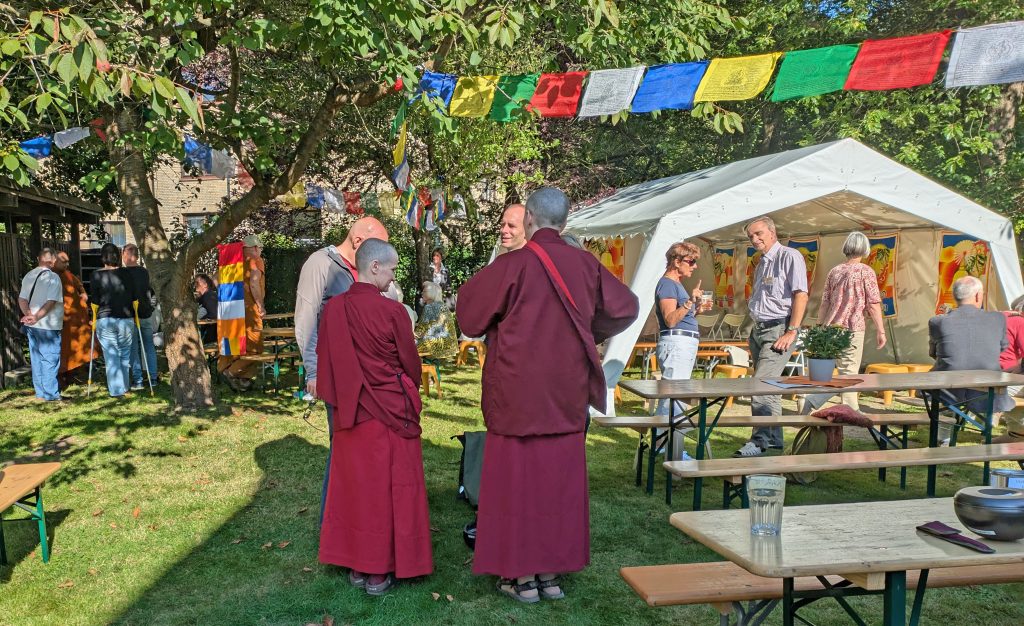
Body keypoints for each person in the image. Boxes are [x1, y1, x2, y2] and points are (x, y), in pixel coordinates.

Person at [457, 187, 638, 603]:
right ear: (565, 222)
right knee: (558, 483)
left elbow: (468, 316)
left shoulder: (514, 265)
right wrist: (588, 331)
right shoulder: (586, 265)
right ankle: (551, 575)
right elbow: (626, 306)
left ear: (532, 220)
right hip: (565, 391)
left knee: (515, 484)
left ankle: (519, 577)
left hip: (517, 392)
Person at [315, 238, 432, 595]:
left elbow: (327, 364)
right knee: (387, 490)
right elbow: (411, 364)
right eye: (393, 269)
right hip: (390, 411)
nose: (394, 277)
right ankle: (379, 570)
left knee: (358, 489)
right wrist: (407, 389)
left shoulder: (333, 310)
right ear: (375, 267)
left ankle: (356, 565)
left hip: (351, 412)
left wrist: (342, 405)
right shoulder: (393, 312)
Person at [294, 216, 389, 520]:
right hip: (337, 375)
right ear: (360, 242)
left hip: (372, 376)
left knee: (363, 449)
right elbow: (306, 321)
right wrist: (313, 371)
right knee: (342, 449)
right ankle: (334, 525)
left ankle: (360, 522)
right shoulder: (320, 264)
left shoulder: (367, 268)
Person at [734, 216, 808, 458]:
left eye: (758, 234)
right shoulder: (762, 262)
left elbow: (801, 295)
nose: (755, 239)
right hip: (759, 330)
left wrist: (792, 330)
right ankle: (774, 443)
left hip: (779, 330)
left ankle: (759, 442)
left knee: (761, 386)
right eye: (751, 237)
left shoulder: (789, 256)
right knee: (770, 387)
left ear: (772, 231)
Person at [800, 232, 886, 412]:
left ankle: (814, 401)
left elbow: (825, 302)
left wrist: (820, 327)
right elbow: (873, 304)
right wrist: (880, 330)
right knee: (848, 372)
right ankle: (848, 411)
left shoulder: (835, 271)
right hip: (852, 327)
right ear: (865, 249)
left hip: (831, 327)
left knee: (831, 372)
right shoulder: (866, 271)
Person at [929, 275, 1014, 416]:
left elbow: (933, 353)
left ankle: (943, 435)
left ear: (955, 297)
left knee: (937, 378)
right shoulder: (998, 319)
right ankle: (988, 424)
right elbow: (1002, 348)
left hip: (947, 392)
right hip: (988, 392)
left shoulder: (938, 322)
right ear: (977, 296)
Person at [654, 241, 707, 461]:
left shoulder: (676, 284)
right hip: (677, 344)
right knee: (674, 398)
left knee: (674, 397)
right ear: (677, 261)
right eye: (691, 261)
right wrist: (688, 305)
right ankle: (671, 450)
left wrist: (696, 308)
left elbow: (680, 318)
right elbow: (670, 320)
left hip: (682, 344)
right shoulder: (668, 284)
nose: (694, 267)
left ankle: (665, 446)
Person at [89, 243, 137, 398]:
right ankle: (125, 387)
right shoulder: (127, 274)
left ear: (102, 257)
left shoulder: (96, 275)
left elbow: (95, 301)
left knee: (111, 355)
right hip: (126, 318)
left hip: (105, 318)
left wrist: (93, 317)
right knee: (124, 354)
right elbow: (133, 296)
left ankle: (117, 390)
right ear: (118, 256)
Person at [219, 234, 265, 390]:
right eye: (260, 248)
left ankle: (243, 380)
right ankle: (231, 372)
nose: (260, 251)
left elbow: (215, 280)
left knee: (237, 346)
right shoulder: (256, 261)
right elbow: (254, 284)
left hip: (232, 313)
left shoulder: (233, 264)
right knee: (255, 348)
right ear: (255, 248)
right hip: (250, 311)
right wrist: (260, 304)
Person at [18, 247, 64, 401]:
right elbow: (51, 301)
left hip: (32, 326)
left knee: (36, 358)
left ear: (38, 259)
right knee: (50, 358)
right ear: (53, 261)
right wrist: (36, 317)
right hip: (48, 325)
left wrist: (28, 315)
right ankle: (51, 394)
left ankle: (40, 393)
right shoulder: (53, 278)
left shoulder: (28, 276)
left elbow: (22, 299)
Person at [53, 251, 93, 388]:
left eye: (67, 262)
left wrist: (83, 294)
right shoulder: (50, 276)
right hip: (58, 319)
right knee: (61, 349)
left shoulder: (69, 275)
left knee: (74, 347)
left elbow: (80, 286)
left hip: (74, 319)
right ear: (54, 261)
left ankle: (71, 374)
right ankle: (59, 377)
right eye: (64, 261)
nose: (67, 264)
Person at [123, 243, 158, 389]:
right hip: (145, 312)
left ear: (128, 254)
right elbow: (151, 291)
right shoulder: (145, 272)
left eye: (123, 254)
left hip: (131, 314)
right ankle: (153, 377)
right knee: (149, 345)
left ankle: (138, 380)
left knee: (133, 347)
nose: (122, 257)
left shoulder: (123, 273)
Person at [416, 281, 458, 360]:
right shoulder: (442, 305)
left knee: (407, 345)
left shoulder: (429, 307)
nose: (422, 293)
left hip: (435, 343)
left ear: (431, 293)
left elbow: (422, 329)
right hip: (448, 343)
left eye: (424, 291)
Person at [194, 274, 218, 344]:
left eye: (197, 282)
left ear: (205, 284)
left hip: (211, 335)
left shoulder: (209, 296)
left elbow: (214, 315)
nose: (195, 284)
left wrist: (198, 319)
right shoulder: (204, 297)